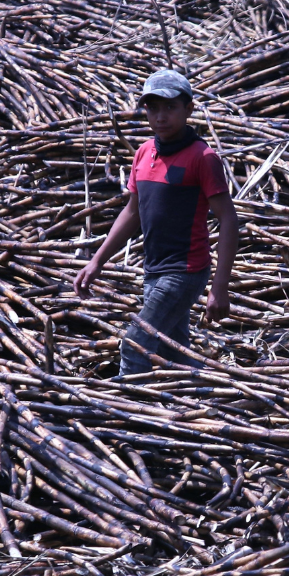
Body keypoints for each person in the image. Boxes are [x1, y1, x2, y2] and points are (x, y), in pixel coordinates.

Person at [73, 69, 238, 376]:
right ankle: (204, 396)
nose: (161, 116)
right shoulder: (144, 153)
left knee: (135, 342)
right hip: (154, 269)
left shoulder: (203, 157)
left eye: (170, 107)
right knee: (171, 351)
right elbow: (132, 213)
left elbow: (228, 220)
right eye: (153, 108)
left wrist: (220, 285)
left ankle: (128, 410)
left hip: (184, 272)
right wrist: (97, 261)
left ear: (188, 109)